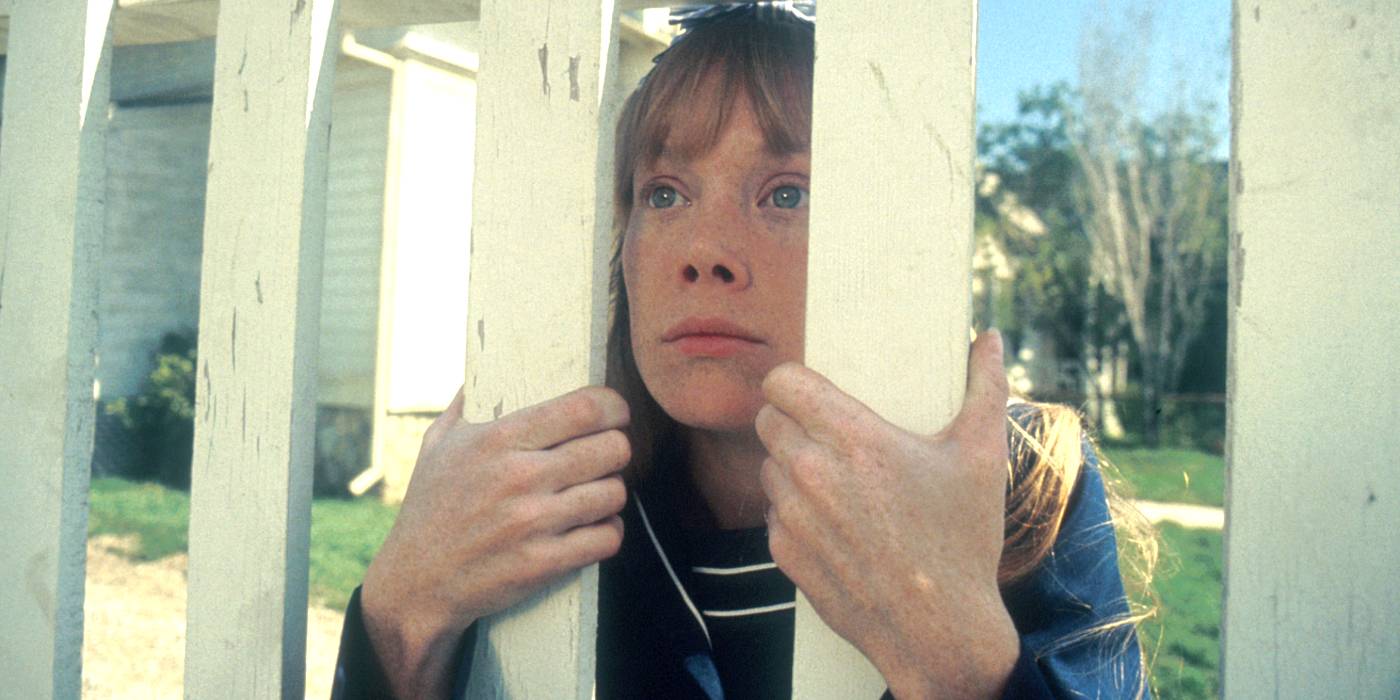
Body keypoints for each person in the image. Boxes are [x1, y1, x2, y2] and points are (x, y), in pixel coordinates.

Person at [333, 5, 1154, 699]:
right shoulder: (545, 499)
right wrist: (401, 614)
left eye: (787, 192)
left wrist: (962, 662)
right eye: (665, 193)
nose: (704, 252)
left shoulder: (1030, 485)